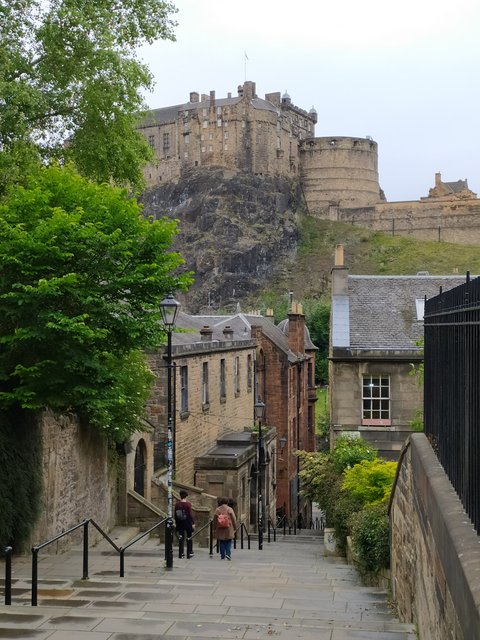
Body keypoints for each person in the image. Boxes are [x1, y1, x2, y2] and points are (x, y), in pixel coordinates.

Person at [174, 489, 195, 559]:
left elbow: (175, 515)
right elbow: (190, 514)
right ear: (186, 496)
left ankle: (181, 552)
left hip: (180, 523)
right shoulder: (188, 504)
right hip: (188, 522)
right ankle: (190, 551)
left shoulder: (177, 504)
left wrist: (176, 523)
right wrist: (193, 523)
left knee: (181, 538)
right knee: (189, 537)